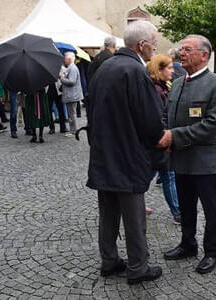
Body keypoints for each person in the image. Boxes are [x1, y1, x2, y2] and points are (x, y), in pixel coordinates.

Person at [87, 20, 164, 285]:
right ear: (142, 45)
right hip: (127, 155)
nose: (155, 48)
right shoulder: (134, 70)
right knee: (133, 216)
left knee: (108, 212)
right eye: (154, 43)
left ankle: (109, 261)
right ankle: (137, 267)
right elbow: (150, 119)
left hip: (103, 153)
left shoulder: (104, 66)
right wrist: (158, 141)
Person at [159, 35, 216, 275]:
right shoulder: (178, 83)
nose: (182, 53)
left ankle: (212, 252)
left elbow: (212, 124)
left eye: (187, 49)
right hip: (180, 159)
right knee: (186, 207)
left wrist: (174, 136)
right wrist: (165, 134)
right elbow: (167, 114)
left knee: (211, 209)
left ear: (204, 55)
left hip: (205, 161)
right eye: (181, 49)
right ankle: (188, 244)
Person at [146, 54, 181, 224]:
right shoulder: (157, 90)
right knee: (168, 176)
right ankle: (177, 212)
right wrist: (165, 139)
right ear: (159, 70)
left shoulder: (162, 87)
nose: (173, 71)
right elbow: (160, 117)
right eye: (169, 68)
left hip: (159, 141)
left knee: (150, 174)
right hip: (160, 142)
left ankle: (136, 203)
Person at [60, 52, 83, 137]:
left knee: (71, 114)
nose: (64, 60)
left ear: (69, 59)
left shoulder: (72, 68)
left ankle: (73, 131)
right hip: (72, 94)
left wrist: (62, 78)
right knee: (71, 113)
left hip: (72, 95)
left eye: (65, 58)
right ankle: (73, 130)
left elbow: (72, 81)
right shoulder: (71, 67)